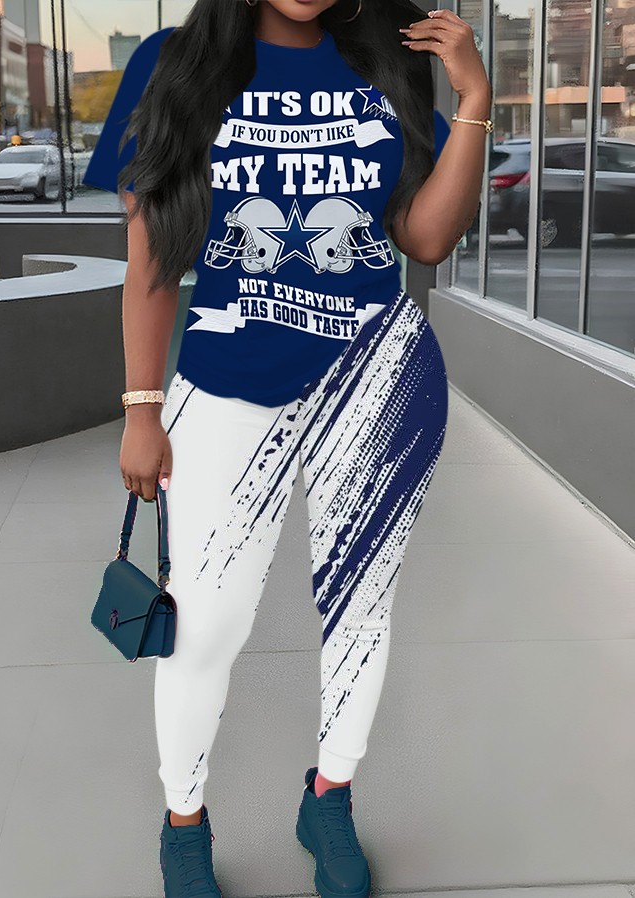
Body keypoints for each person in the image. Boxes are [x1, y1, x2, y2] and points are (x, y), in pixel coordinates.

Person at [83, 0, 491, 893]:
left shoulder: (382, 60)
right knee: (203, 625)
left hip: (377, 377)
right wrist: (142, 408)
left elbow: (424, 237)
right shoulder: (174, 62)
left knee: (360, 611)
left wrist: (472, 99)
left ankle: (329, 799)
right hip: (228, 382)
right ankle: (184, 824)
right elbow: (150, 256)